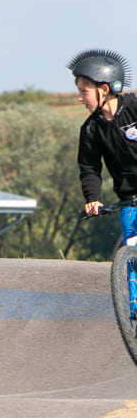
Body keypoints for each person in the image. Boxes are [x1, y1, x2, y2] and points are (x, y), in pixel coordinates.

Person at [69, 48, 137, 315]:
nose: (79, 98)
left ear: (104, 89)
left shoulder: (135, 109)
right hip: (129, 198)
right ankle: (135, 308)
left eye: (84, 91)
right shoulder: (91, 130)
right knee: (131, 249)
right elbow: (89, 169)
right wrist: (92, 199)